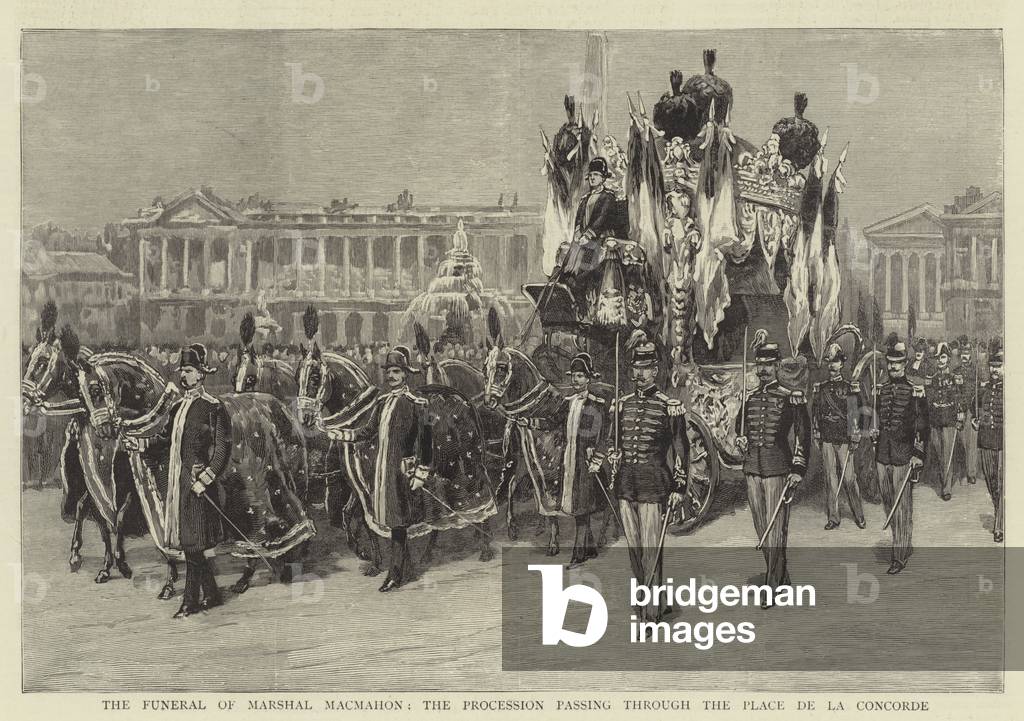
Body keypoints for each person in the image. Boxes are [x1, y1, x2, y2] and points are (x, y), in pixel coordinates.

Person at [125, 343, 232, 618]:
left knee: (193, 546)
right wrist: (139, 445)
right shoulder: (178, 408)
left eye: (188, 371)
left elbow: (222, 450)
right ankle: (212, 595)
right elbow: (162, 442)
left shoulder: (213, 408)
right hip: (179, 487)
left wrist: (205, 478)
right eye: (182, 371)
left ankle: (190, 602)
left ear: (201, 374)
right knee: (191, 545)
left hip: (198, 488)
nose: (183, 376)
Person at [591, 331, 688, 622]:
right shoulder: (622, 405)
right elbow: (611, 442)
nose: (639, 374)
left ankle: (652, 610)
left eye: (645, 368)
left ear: (655, 370)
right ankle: (647, 602)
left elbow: (681, 449)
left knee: (651, 550)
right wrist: (607, 457)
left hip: (654, 486)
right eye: (636, 368)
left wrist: (679, 486)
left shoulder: (668, 407)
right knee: (634, 550)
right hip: (626, 486)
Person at [337, 345, 433, 592]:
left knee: (398, 523)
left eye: (396, 372)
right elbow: (367, 432)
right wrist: (341, 434)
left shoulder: (415, 403)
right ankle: (404, 568)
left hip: (402, 472)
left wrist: (421, 472)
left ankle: (396, 574)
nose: (391, 376)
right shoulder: (382, 402)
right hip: (383, 472)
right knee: (392, 522)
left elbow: (425, 441)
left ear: (405, 375)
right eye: (389, 372)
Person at [735, 339, 809, 605]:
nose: (763, 370)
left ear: (778, 366)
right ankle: (781, 575)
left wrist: (798, 468)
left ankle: (772, 584)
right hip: (753, 469)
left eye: (768, 365)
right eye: (759, 365)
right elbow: (739, 428)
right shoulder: (751, 398)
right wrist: (740, 440)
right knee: (761, 529)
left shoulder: (791, 397)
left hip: (778, 468)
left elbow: (802, 434)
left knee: (775, 529)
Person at [524, 352, 607, 566]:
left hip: (586, 463)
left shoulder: (596, 404)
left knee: (582, 507)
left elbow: (603, 434)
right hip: (569, 460)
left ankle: (578, 556)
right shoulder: (568, 403)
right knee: (579, 506)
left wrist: (597, 457)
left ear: (588, 378)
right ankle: (590, 550)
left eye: (580, 376)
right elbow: (552, 422)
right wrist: (530, 422)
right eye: (574, 376)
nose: (576, 380)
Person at [871, 340, 929, 575]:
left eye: (897, 364)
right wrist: (871, 429)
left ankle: (900, 554)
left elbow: (923, 424)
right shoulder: (881, 389)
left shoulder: (915, 390)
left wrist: (918, 453)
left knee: (901, 505)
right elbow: (872, 416)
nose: (893, 368)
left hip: (904, 454)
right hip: (883, 453)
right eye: (890, 364)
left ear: (905, 364)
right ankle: (902, 539)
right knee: (888, 501)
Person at [811, 342, 866, 530]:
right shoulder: (821, 388)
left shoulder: (850, 387)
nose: (832, 365)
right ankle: (834, 518)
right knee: (830, 478)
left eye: (835, 362)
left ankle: (859, 515)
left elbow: (854, 414)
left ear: (841, 364)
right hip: (827, 438)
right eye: (829, 362)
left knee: (849, 478)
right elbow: (816, 413)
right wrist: (817, 433)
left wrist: (855, 437)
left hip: (843, 439)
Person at [924, 342, 964, 501]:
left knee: (947, 452)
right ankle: (943, 479)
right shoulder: (932, 378)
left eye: (943, 357)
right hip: (935, 420)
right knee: (939, 452)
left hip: (949, 419)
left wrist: (960, 413)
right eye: (938, 358)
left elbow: (959, 396)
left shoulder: (955, 377)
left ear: (947, 358)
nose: (940, 360)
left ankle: (946, 488)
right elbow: (928, 399)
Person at [974, 349, 1003, 542]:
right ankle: (998, 511)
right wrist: (975, 419)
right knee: (991, 483)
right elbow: (973, 406)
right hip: (985, 440)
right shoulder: (983, 389)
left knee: (1001, 485)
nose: (994, 369)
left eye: (998, 366)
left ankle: (999, 526)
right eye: (992, 366)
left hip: (1002, 443)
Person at [956, 338, 980, 485]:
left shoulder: (975, 371)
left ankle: (971, 473)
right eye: (963, 354)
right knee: (961, 442)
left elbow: (980, 390)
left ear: (971, 355)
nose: (965, 356)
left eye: (967, 353)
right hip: (960, 410)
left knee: (972, 443)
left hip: (972, 410)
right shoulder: (956, 371)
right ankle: (961, 471)